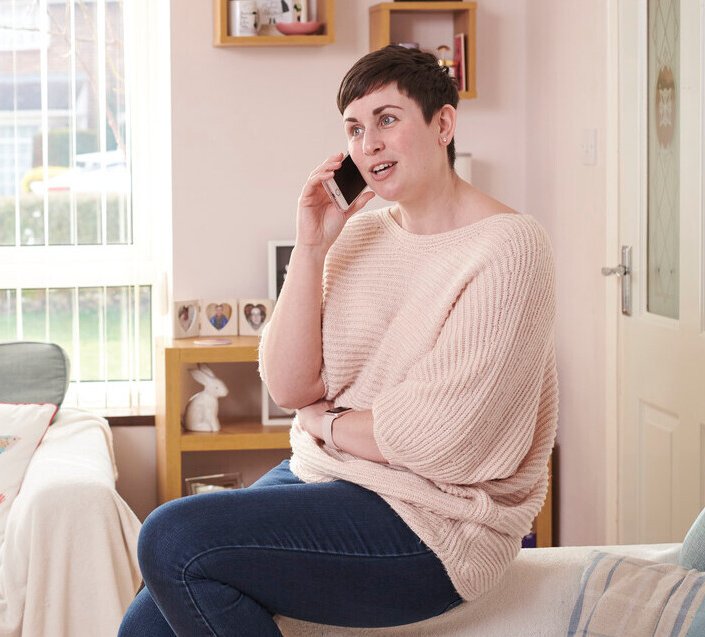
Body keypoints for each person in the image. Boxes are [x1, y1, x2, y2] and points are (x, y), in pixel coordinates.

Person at [119, 45, 557, 636]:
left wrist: (325, 424)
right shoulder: (359, 234)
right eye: (354, 127)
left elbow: (442, 442)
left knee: (170, 536)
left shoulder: (508, 248)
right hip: (324, 476)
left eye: (387, 119)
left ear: (443, 125)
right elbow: (289, 386)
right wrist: (312, 244)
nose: (368, 143)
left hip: (432, 526)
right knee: (146, 625)